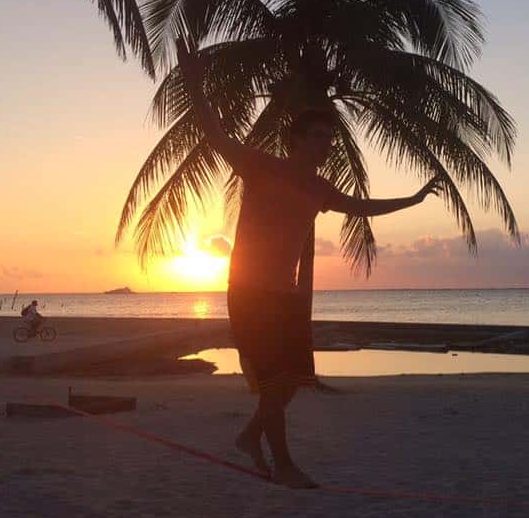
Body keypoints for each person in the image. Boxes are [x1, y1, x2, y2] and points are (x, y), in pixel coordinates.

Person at [175, 38, 442, 489]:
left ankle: (248, 436)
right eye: (318, 136)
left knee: (294, 381)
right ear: (296, 139)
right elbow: (214, 133)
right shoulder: (259, 166)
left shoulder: (320, 188)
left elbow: (362, 206)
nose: (326, 144)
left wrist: (412, 199)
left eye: (329, 138)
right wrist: (194, 82)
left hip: (287, 294)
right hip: (251, 291)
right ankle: (283, 465)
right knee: (275, 379)